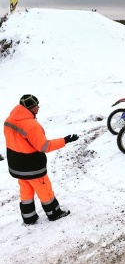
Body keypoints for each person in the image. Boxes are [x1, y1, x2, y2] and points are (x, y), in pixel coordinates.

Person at [3, 94, 79, 225]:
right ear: (30, 108)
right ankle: (54, 213)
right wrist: (65, 140)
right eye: (36, 105)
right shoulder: (31, 125)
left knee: (25, 190)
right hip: (32, 166)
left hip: (16, 164)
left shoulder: (9, 120)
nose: (38, 107)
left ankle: (29, 217)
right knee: (44, 190)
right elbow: (44, 146)